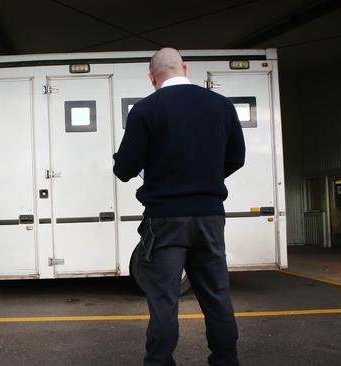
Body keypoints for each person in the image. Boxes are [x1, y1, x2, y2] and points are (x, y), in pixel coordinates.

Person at [113, 47, 245, 366]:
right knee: (216, 296)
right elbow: (236, 158)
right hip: (210, 217)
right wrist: (205, 177)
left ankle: (159, 362)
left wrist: (149, 169)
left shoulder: (146, 110)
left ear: (152, 77)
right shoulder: (221, 105)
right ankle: (226, 361)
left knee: (164, 300)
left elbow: (125, 168)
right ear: (185, 68)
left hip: (165, 220)